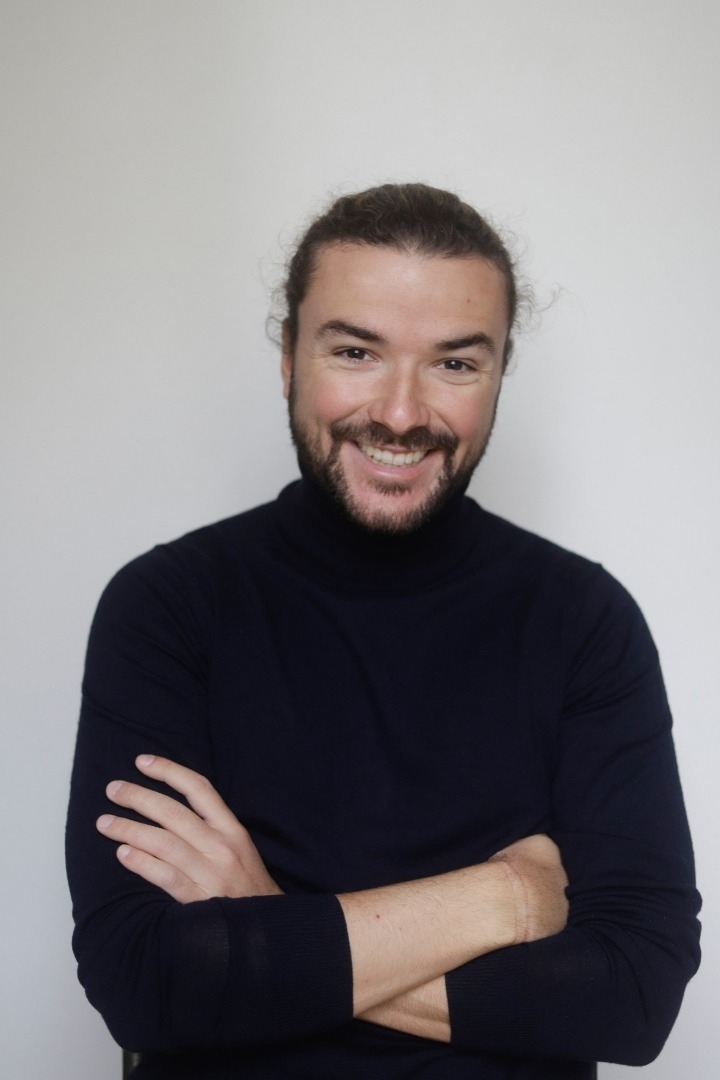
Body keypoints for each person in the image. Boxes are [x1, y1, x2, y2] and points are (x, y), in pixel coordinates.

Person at [66, 183, 701, 1079]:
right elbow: (143, 980)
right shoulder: (169, 606)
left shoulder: (584, 621)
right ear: (288, 357)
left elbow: (633, 999)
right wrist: (503, 898)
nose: (400, 414)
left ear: (499, 374)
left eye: (454, 363)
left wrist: (266, 920)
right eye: (357, 351)